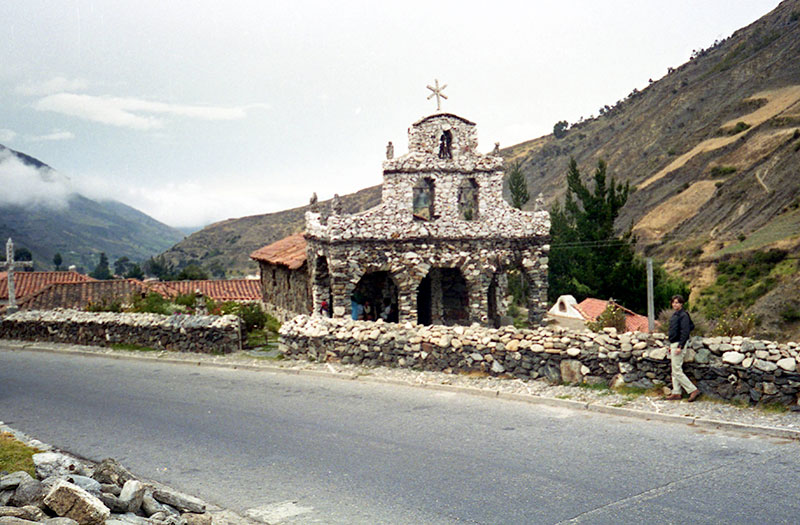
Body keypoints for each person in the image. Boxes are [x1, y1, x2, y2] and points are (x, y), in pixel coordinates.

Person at [666, 295, 700, 402]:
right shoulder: (675, 315)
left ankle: (693, 390)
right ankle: (676, 392)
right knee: (675, 369)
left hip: (679, 344)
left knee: (676, 370)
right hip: (674, 343)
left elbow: (685, 331)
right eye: (673, 302)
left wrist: (680, 346)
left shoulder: (683, 315)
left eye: (677, 302)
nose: (675, 304)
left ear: (681, 304)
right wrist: (671, 345)